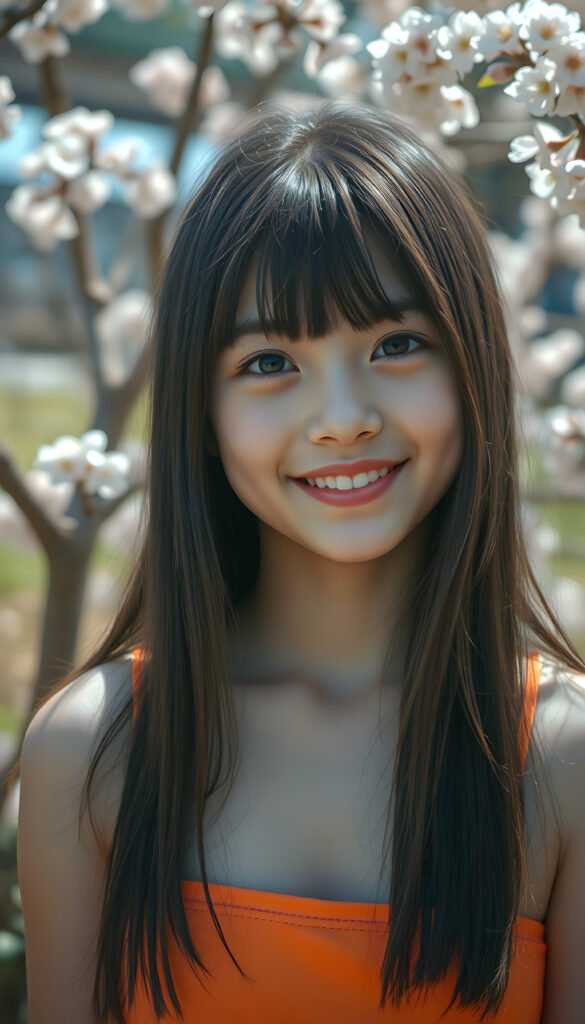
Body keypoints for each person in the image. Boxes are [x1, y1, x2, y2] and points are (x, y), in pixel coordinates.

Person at [16, 99, 585, 1024]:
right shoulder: (94, 751)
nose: (341, 416)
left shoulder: (561, 758)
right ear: (199, 410)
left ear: (476, 363)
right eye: (269, 362)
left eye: (396, 344)